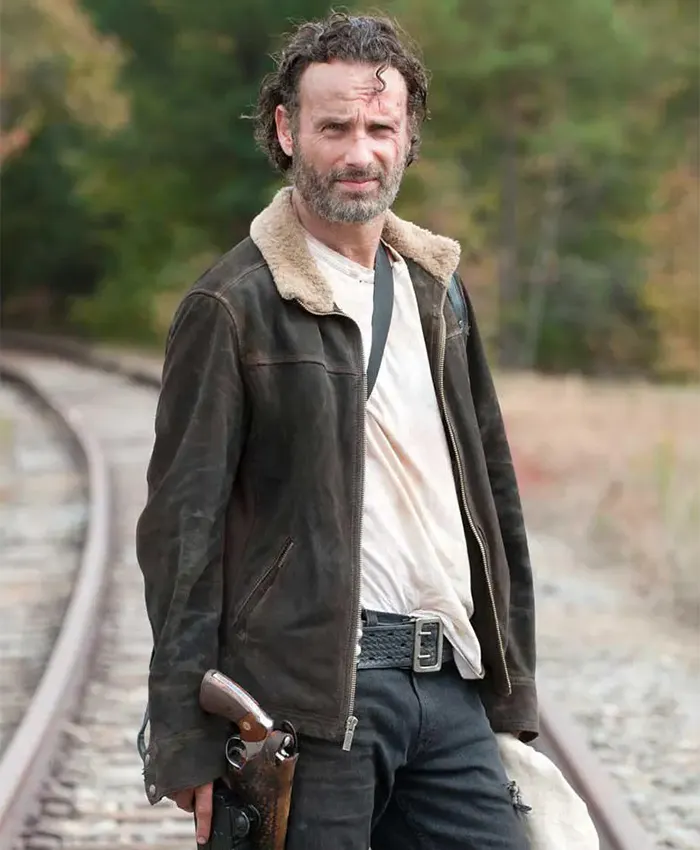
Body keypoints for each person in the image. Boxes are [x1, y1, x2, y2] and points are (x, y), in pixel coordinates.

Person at [136, 12, 537, 850]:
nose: (360, 153)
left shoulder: (437, 291)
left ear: (408, 137)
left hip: (448, 690)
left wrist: (514, 695)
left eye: (380, 129)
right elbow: (182, 532)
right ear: (288, 131)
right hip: (309, 703)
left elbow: (493, 499)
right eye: (335, 128)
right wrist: (184, 736)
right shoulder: (232, 305)